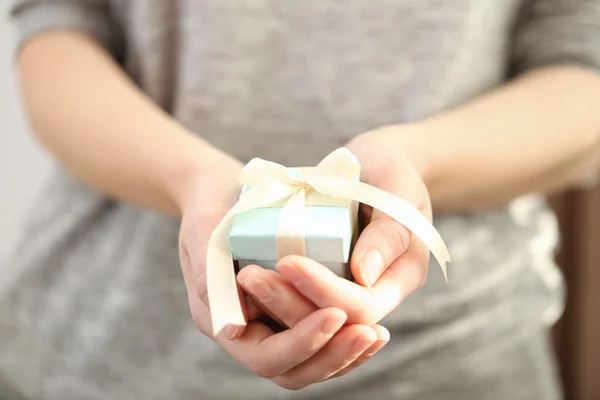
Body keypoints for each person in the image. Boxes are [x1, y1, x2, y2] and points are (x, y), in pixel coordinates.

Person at [1, 0, 600, 399]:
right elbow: (57, 30)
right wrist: (188, 177)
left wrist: (419, 161)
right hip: (98, 346)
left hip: (453, 359)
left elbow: (583, 67)